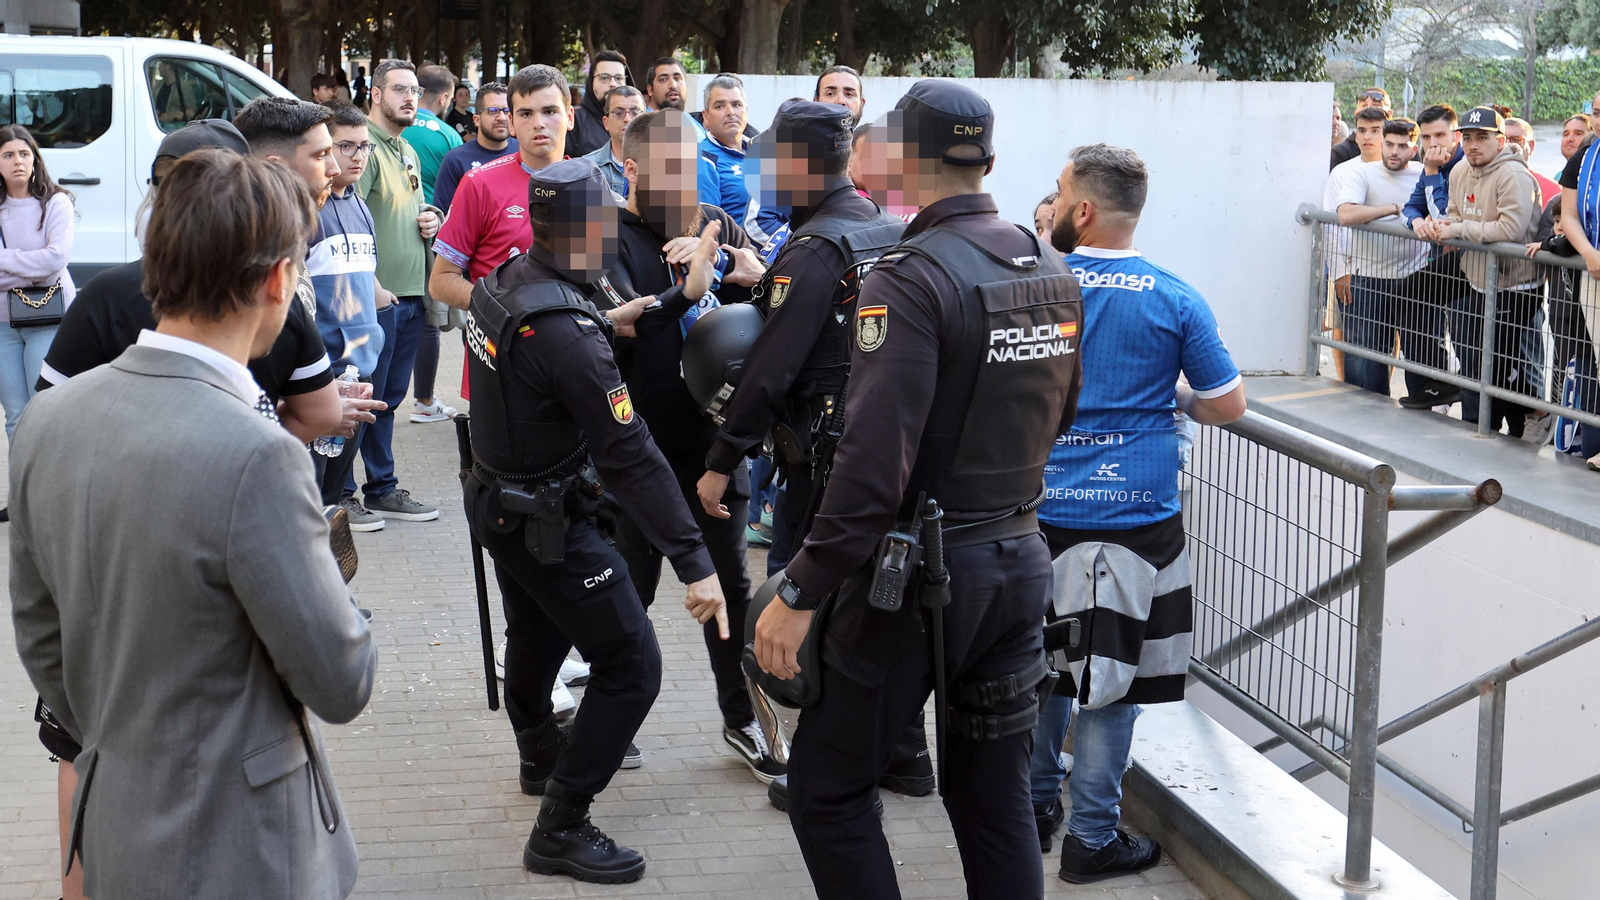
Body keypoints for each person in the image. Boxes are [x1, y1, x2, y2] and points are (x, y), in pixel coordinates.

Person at [10, 146, 376, 900]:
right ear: (278, 280)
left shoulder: (48, 418)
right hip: (242, 845)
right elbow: (340, 682)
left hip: (114, 823)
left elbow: (40, 634)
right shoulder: (258, 454)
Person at [750, 81, 1083, 900]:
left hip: (916, 580)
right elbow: (1061, 415)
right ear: (988, 163)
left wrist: (800, 589)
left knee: (827, 790)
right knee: (993, 797)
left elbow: (872, 466)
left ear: (900, 159)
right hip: (1017, 561)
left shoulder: (910, 276)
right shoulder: (1049, 265)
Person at [461, 157, 727, 883]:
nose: (614, 230)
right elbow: (632, 455)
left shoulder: (505, 282)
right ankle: (561, 824)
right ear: (584, 230)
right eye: (606, 219)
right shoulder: (568, 333)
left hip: (498, 505)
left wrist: (657, 305)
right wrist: (695, 562)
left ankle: (538, 756)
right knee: (633, 665)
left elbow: (558, 344)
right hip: (549, 520)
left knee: (538, 631)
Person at [1030, 143, 1245, 880]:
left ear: (1084, 210)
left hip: (1039, 513)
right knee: (1113, 684)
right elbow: (1227, 403)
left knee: (1044, 668)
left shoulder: (1033, 285)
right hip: (1138, 522)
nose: (1056, 206)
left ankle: (1034, 808)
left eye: (1062, 194)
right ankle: (1092, 838)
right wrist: (1172, 395)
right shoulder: (1175, 296)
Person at [606, 107, 780, 782]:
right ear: (632, 169)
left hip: (715, 452)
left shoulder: (713, 220)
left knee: (731, 588)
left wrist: (732, 261)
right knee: (629, 594)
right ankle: (609, 719)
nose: (686, 182)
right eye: (670, 169)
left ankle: (742, 718)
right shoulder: (606, 235)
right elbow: (622, 325)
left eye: (694, 166)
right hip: (639, 453)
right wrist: (684, 289)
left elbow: (766, 278)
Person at [40, 118, 341, 442]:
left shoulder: (107, 295)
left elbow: (48, 415)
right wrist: (255, 442)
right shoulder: (276, 293)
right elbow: (322, 413)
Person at [354, 59, 442, 521]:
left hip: (409, 296)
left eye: (415, 91)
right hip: (374, 299)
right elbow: (348, 217)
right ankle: (341, 493)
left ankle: (381, 487)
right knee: (360, 399)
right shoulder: (363, 148)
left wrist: (432, 218)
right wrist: (369, 285)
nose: (410, 98)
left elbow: (414, 205)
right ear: (375, 94)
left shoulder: (405, 148)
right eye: (399, 90)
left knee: (387, 400)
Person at [1428, 106, 1542, 437]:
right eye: (1467, 138)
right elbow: (1454, 212)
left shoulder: (1514, 175)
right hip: (1477, 277)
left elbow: (1510, 230)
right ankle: (1444, 394)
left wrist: (1458, 229)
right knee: (1483, 363)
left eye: (1482, 138)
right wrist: (1444, 225)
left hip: (1516, 285)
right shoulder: (1460, 169)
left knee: (1494, 366)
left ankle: (1532, 415)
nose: (1473, 145)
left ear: (1501, 141)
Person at [431, 65, 575, 312]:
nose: (539, 123)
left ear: (570, 117)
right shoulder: (478, 184)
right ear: (512, 123)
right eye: (526, 114)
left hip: (577, 333)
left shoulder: (592, 183)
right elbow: (441, 281)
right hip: (500, 336)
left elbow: (603, 276)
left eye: (550, 111)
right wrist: (505, 310)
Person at [311, 100, 394, 526]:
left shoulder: (360, 205)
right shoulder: (309, 210)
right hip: (322, 369)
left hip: (362, 365)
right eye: (346, 146)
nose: (358, 156)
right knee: (312, 493)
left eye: (365, 146)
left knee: (332, 494)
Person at [1332, 118, 1428, 397]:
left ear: (1414, 149)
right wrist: (1393, 209)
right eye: (1389, 144)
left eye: (1402, 146)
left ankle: (1422, 408)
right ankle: (1365, 413)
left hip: (1414, 279)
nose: (1394, 151)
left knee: (1420, 355)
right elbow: (1345, 214)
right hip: (1369, 279)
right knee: (1367, 360)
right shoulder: (1362, 173)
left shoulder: (1424, 173)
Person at [0, 125, 73, 455]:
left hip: (48, 318)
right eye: (8, 155)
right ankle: (21, 487)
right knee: (16, 415)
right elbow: (43, 266)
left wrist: (5, 261)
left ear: (35, 160)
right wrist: (33, 269)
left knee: (43, 410)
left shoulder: (56, 202)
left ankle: (46, 484)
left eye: (24, 154)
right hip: (3, 325)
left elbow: (55, 261)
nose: (17, 161)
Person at [1398, 104, 1470, 413]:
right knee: (1408, 297)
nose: (1433, 143)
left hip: (1476, 261)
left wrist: (1430, 172)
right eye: (1426, 137)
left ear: (1456, 136)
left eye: (1440, 135)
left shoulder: (1464, 164)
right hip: (1449, 260)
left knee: (1471, 340)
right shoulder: (1431, 163)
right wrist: (1417, 222)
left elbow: (1443, 217)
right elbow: (1410, 208)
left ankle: (1443, 384)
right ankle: (1432, 384)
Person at [1558, 127, 1600, 470]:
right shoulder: (1585, 157)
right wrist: (1589, 254)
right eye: (1597, 112)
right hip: (1595, 270)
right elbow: (1568, 214)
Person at [697, 74, 767, 241]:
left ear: (746, 111)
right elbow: (708, 232)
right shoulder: (702, 160)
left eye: (736, 105)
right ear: (706, 116)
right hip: (740, 253)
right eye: (720, 106)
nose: (730, 112)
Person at [434, 81, 518, 215]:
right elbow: (443, 215)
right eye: (493, 111)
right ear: (477, 120)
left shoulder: (525, 153)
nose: (501, 118)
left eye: (507, 111)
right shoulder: (455, 160)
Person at [402, 65, 464, 205]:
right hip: (432, 212)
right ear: (443, 98)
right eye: (450, 99)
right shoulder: (450, 136)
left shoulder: (394, 125)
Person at [569, 50, 634, 158]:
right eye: (604, 78)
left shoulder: (636, 120)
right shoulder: (574, 120)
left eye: (619, 78)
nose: (613, 84)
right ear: (592, 81)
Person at [583, 84, 642, 198]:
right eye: (619, 113)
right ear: (606, 122)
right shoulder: (587, 168)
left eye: (635, 112)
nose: (627, 119)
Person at [1331, 87, 1391, 169]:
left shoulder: (1402, 152)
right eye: (1364, 105)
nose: (1369, 109)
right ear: (1356, 113)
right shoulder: (1340, 154)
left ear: (1389, 115)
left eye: (1376, 106)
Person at [1504, 117, 1560, 205]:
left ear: (1531, 146)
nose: (1508, 145)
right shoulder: (1484, 183)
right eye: (1503, 139)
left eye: (1516, 140)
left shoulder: (1553, 191)